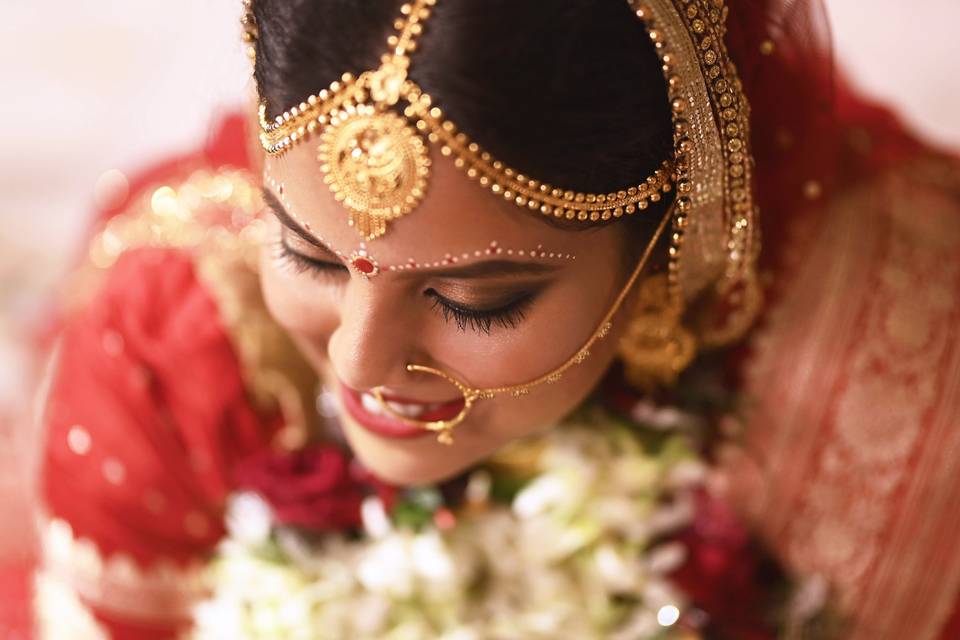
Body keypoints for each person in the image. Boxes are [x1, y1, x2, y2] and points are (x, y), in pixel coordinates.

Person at [14, 0, 959, 638]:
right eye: (306, 252)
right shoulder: (174, 345)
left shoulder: (897, 347)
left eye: (476, 300)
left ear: (672, 245)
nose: (358, 361)